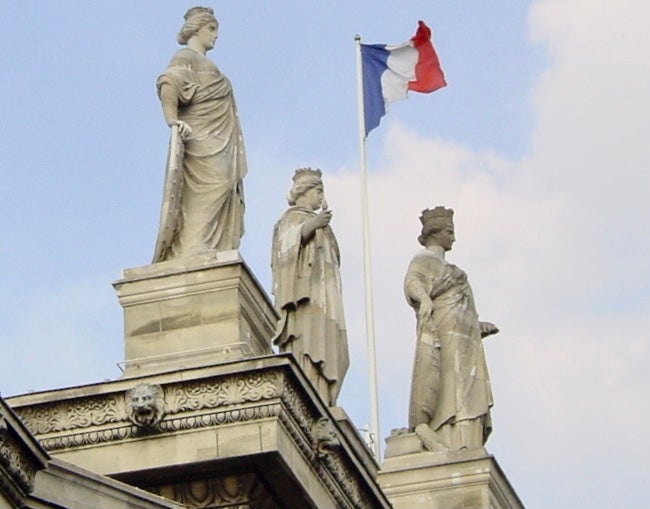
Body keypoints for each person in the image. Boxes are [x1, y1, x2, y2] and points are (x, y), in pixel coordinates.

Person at [153, 7, 247, 262]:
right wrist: (172, 121)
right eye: (212, 29)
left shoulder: (208, 64)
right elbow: (168, 84)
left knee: (225, 185)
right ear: (197, 28)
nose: (216, 36)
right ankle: (194, 245)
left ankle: (207, 244)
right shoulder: (186, 57)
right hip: (201, 139)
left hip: (220, 138)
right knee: (212, 186)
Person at [404, 206, 498, 451]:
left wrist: (477, 326)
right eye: (449, 231)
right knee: (450, 387)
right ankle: (450, 436)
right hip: (444, 332)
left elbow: (463, 308)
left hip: (467, 341)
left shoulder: (456, 272)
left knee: (468, 390)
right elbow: (412, 282)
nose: (453, 237)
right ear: (435, 233)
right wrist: (424, 298)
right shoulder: (424, 260)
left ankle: (469, 441)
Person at [271, 169, 349, 406]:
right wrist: (311, 226)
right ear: (304, 192)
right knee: (308, 343)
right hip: (305, 299)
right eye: (319, 190)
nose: (321, 196)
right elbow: (284, 248)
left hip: (326, 298)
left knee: (330, 345)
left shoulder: (324, 226)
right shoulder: (291, 218)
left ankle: (324, 394)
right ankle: (308, 394)